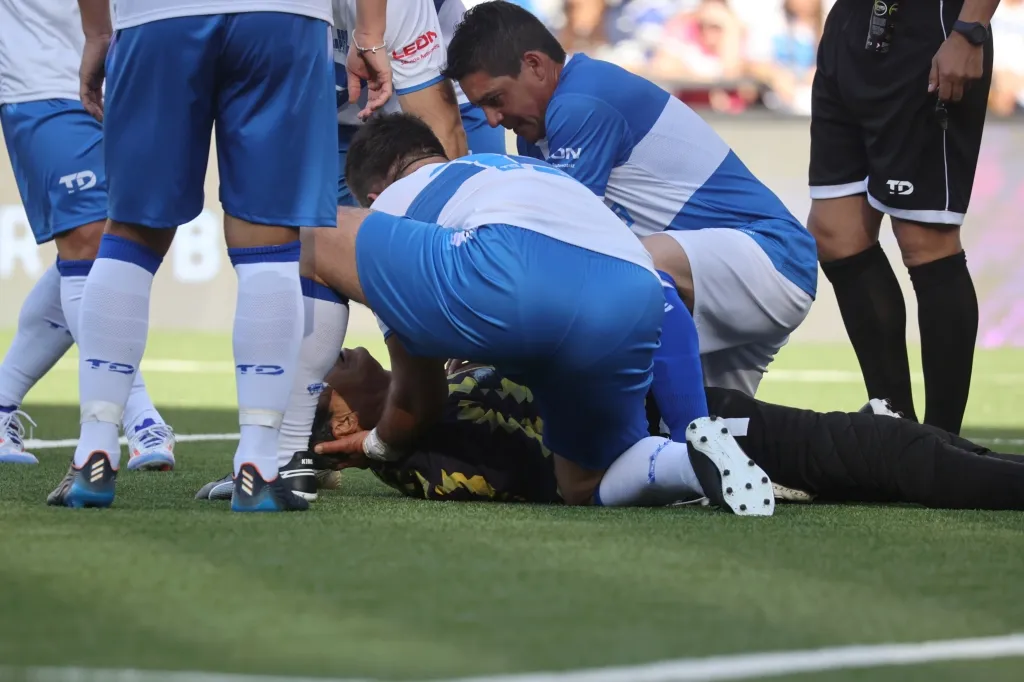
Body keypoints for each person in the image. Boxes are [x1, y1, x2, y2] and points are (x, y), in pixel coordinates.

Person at [301, 112, 776, 515]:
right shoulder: (508, 168)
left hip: (515, 273)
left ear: (373, 196)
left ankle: (280, 453)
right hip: (637, 290)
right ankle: (689, 462)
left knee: (311, 236)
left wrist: (377, 446)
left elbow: (420, 394)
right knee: (583, 482)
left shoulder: (391, 211)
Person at [440, 1, 819, 442]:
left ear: (535, 65)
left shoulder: (579, 102)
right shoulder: (541, 128)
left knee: (618, 271)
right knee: (726, 448)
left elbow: (556, 247)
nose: (491, 119)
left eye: (495, 99)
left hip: (771, 258)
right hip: (718, 274)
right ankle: (873, 441)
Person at [49, 0, 338, 511]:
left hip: (159, 16)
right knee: (269, 240)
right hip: (283, 16)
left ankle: (93, 451)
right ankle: (259, 464)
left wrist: (97, 33)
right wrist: (371, 36)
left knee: (132, 232)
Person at [199, 349, 1024, 511]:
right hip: (688, 431)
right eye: (330, 374)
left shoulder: (438, 363)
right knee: (877, 453)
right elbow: (511, 481)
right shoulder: (419, 450)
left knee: (881, 453)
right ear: (342, 414)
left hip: (688, 409)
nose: (339, 349)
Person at [807, 0, 997, 436]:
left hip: (928, 30)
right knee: (835, 234)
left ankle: (942, 441)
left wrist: (971, 28)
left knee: (924, 239)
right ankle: (897, 429)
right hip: (849, 27)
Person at [0, 0, 175, 470]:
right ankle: (137, 417)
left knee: (116, 242)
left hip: (132, 73)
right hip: (44, 78)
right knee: (89, 241)